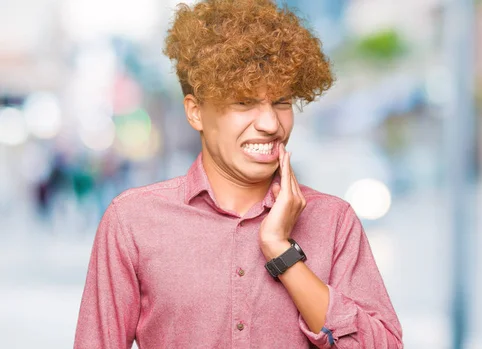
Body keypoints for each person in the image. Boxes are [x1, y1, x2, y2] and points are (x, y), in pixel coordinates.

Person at [73, 0, 403, 348]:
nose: (270, 124)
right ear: (196, 112)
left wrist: (283, 253)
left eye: (282, 102)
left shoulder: (334, 222)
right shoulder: (133, 222)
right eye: (244, 102)